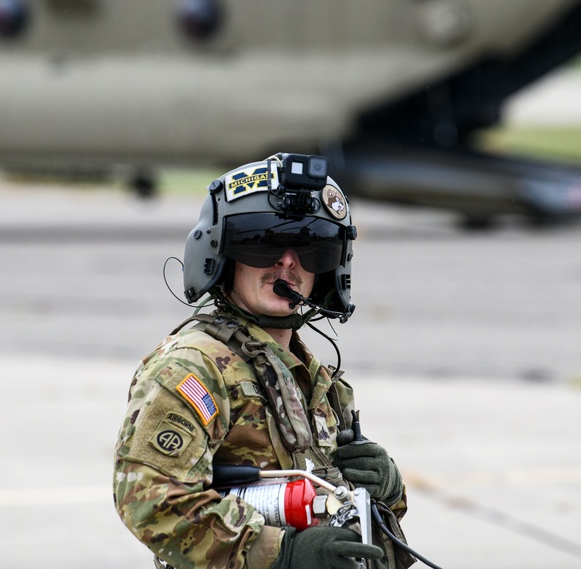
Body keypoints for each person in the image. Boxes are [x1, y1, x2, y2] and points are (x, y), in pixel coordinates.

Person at [114, 153, 412, 569]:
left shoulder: (317, 380)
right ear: (223, 256)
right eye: (263, 243)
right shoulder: (191, 369)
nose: (288, 262)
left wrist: (386, 492)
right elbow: (151, 502)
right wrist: (282, 554)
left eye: (310, 247)